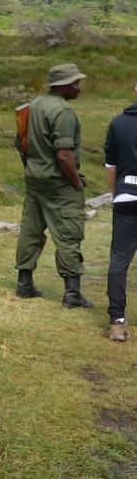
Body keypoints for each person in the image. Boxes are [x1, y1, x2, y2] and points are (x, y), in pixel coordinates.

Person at [15, 62, 91, 308]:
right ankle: (72, 294)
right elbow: (64, 155)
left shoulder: (33, 105)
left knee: (31, 229)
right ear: (64, 86)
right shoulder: (63, 111)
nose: (79, 87)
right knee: (68, 233)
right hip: (59, 183)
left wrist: (32, 166)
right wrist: (77, 182)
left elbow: (21, 142)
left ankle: (24, 283)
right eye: (76, 83)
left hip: (35, 179)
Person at [104, 83, 137, 340]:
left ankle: (117, 320)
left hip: (126, 195)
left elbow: (111, 167)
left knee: (119, 259)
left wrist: (116, 196)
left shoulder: (117, 123)